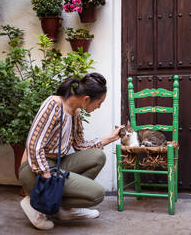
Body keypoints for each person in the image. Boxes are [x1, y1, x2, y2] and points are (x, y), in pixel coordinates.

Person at [18, 73, 123, 230]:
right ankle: (36, 204)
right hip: (35, 169)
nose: (99, 107)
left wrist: (110, 138)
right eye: (99, 102)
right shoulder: (53, 104)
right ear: (86, 98)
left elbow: (80, 145)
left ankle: (63, 209)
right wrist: (48, 182)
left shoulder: (76, 112)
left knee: (97, 157)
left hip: (57, 163)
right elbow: (34, 144)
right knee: (97, 194)